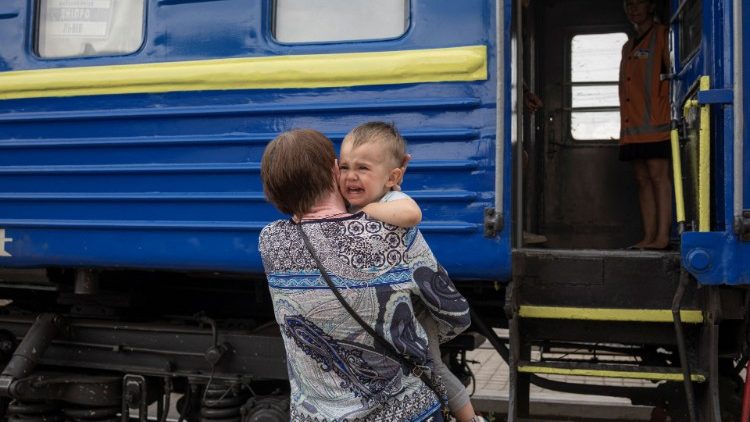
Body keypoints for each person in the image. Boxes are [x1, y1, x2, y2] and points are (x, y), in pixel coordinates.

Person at [258, 128, 472, 421]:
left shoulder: (271, 241)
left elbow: (300, 217)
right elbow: (454, 313)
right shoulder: (393, 232)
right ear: (334, 170)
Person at [337, 122, 485, 422]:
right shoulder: (350, 200)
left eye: (363, 168)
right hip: (389, 304)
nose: (351, 176)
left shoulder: (390, 200)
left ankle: (469, 418)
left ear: (393, 177)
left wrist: (366, 212)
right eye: (344, 167)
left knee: (433, 365)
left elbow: (411, 214)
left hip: (414, 307)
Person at [619, 0, 672, 250]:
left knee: (658, 176)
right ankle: (648, 237)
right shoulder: (627, 46)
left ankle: (662, 237)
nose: (633, 8)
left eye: (638, 2)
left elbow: (672, 75)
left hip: (656, 122)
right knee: (641, 179)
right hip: (632, 127)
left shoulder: (663, 36)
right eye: (628, 4)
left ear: (651, 6)